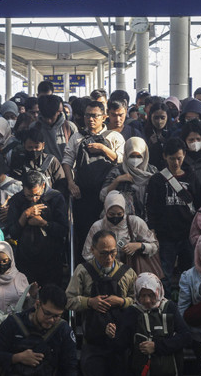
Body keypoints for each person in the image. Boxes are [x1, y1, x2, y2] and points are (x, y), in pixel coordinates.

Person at [66, 230, 137, 376]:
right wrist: (89, 302)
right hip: (93, 342)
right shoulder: (83, 271)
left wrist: (123, 301)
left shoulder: (128, 273)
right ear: (92, 249)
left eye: (113, 252)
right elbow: (68, 301)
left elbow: (139, 302)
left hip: (121, 341)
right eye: (104, 253)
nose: (109, 257)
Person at [63, 100, 125, 264]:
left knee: (109, 234)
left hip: (108, 196)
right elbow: (67, 161)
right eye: (87, 115)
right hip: (83, 196)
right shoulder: (77, 137)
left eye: (94, 116)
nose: (90, 119)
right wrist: (71, 183)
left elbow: (122, 160)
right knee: (84, 234)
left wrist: (103, 149)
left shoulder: (114, 137)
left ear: (104, 117)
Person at [105, 272, 191, 376]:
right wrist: (113, 336)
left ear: (158, 292)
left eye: (151, 295)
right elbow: (121, 345)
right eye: (143, 295)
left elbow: (185, 336)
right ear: (137, 294)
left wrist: (156, 347)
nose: (147, 301)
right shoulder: (132, 312)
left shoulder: (169, 307)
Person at [146, 138, 200, 296]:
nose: (176, 162)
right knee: (165, 274)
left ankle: (187, 302)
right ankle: (166, 302)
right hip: (165, 235)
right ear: (164, 157)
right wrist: (153, 229)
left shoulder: (192, 177)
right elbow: (151, 207)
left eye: (179, 158)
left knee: (189, 273)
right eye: (172, 158)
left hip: (188, 234)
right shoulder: (157, 180)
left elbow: (199, 203)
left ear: (184, 155)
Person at [0, 284, 77, 376]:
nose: (51, 320)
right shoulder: (13, 323)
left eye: (56, 316)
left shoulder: (63, 331)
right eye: (47, 313)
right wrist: (18, 357)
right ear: (37, 304)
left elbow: (70, 368)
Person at [6, 170, 69, 287]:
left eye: (37, 195)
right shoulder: (16, 201)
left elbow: (63, 230)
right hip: (26, 261)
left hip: (51, 260)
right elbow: (12, 233)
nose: (33, 199)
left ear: (43, 186)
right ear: (23, 188)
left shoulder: (55, 198)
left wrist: (43, 223)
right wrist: (25, 215)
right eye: (29, 195)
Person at [82, 191, 159, 272]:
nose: (115, 217)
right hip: (105, 273)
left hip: (133, 270)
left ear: (124, 211)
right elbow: (87, 254)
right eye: (111, 214)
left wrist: (139, 246)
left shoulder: (135, 222)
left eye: (119, 214)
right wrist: (104, 259)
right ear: (105, 211)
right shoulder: (98, 227)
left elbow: (154, 246)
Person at [100, 137, 157, 220]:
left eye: (138, 156)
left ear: (145, 155)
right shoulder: (117, 171)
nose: (135, 159)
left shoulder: (152, 171)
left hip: (148, 218)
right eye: (132, 156)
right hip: (123, 220)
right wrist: (117, 180)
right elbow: (103, 196)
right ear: (126, 154)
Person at [0, 240, 35, 315]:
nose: (1, 264)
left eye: (5, 261)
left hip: (15, 323)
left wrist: (33, 296)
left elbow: (28, 307)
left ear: (11, 259)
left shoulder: (20, 278)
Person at [8, 127, 66, 192]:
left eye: (36, 147)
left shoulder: (52, 161)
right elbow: (15, 184)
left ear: (43, 145)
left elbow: (61, 182)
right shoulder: (19, 162)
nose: (33, 150)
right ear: (24, 145)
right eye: (30, 147)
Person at [32, 94, 77, 162]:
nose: (48, 120)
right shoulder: (34, 127)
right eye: (45, 117)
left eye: (52, 117)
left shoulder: (69, 127)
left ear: (58, 112)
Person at [143, 102, 171, 170]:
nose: (159, 121)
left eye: (162, 118)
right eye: (156, 118)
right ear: (150, 117)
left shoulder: (172, 132)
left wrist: (166, 142)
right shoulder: (144, 131)